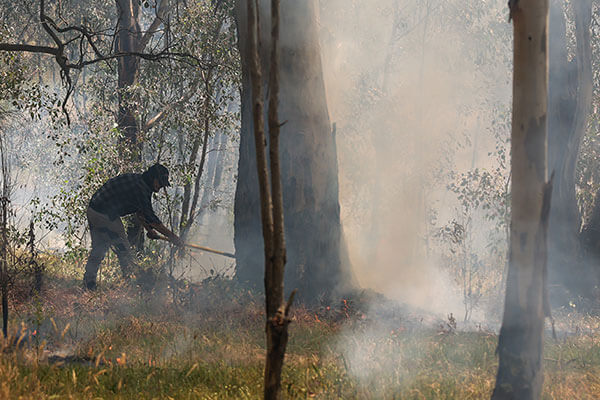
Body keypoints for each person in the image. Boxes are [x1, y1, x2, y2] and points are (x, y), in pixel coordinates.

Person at [83, 163, 184, 290]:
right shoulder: (140, 188)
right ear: (153, 178)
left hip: (94, 210)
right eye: (160, 183)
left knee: (100, 247)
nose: (160, 187)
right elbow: (151, 218)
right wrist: (173, 237)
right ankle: (132, 285)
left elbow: (141, 213)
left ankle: (89, 284)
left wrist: (149, 230)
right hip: (104, 214)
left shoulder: (140, 182)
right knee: (124, 249)